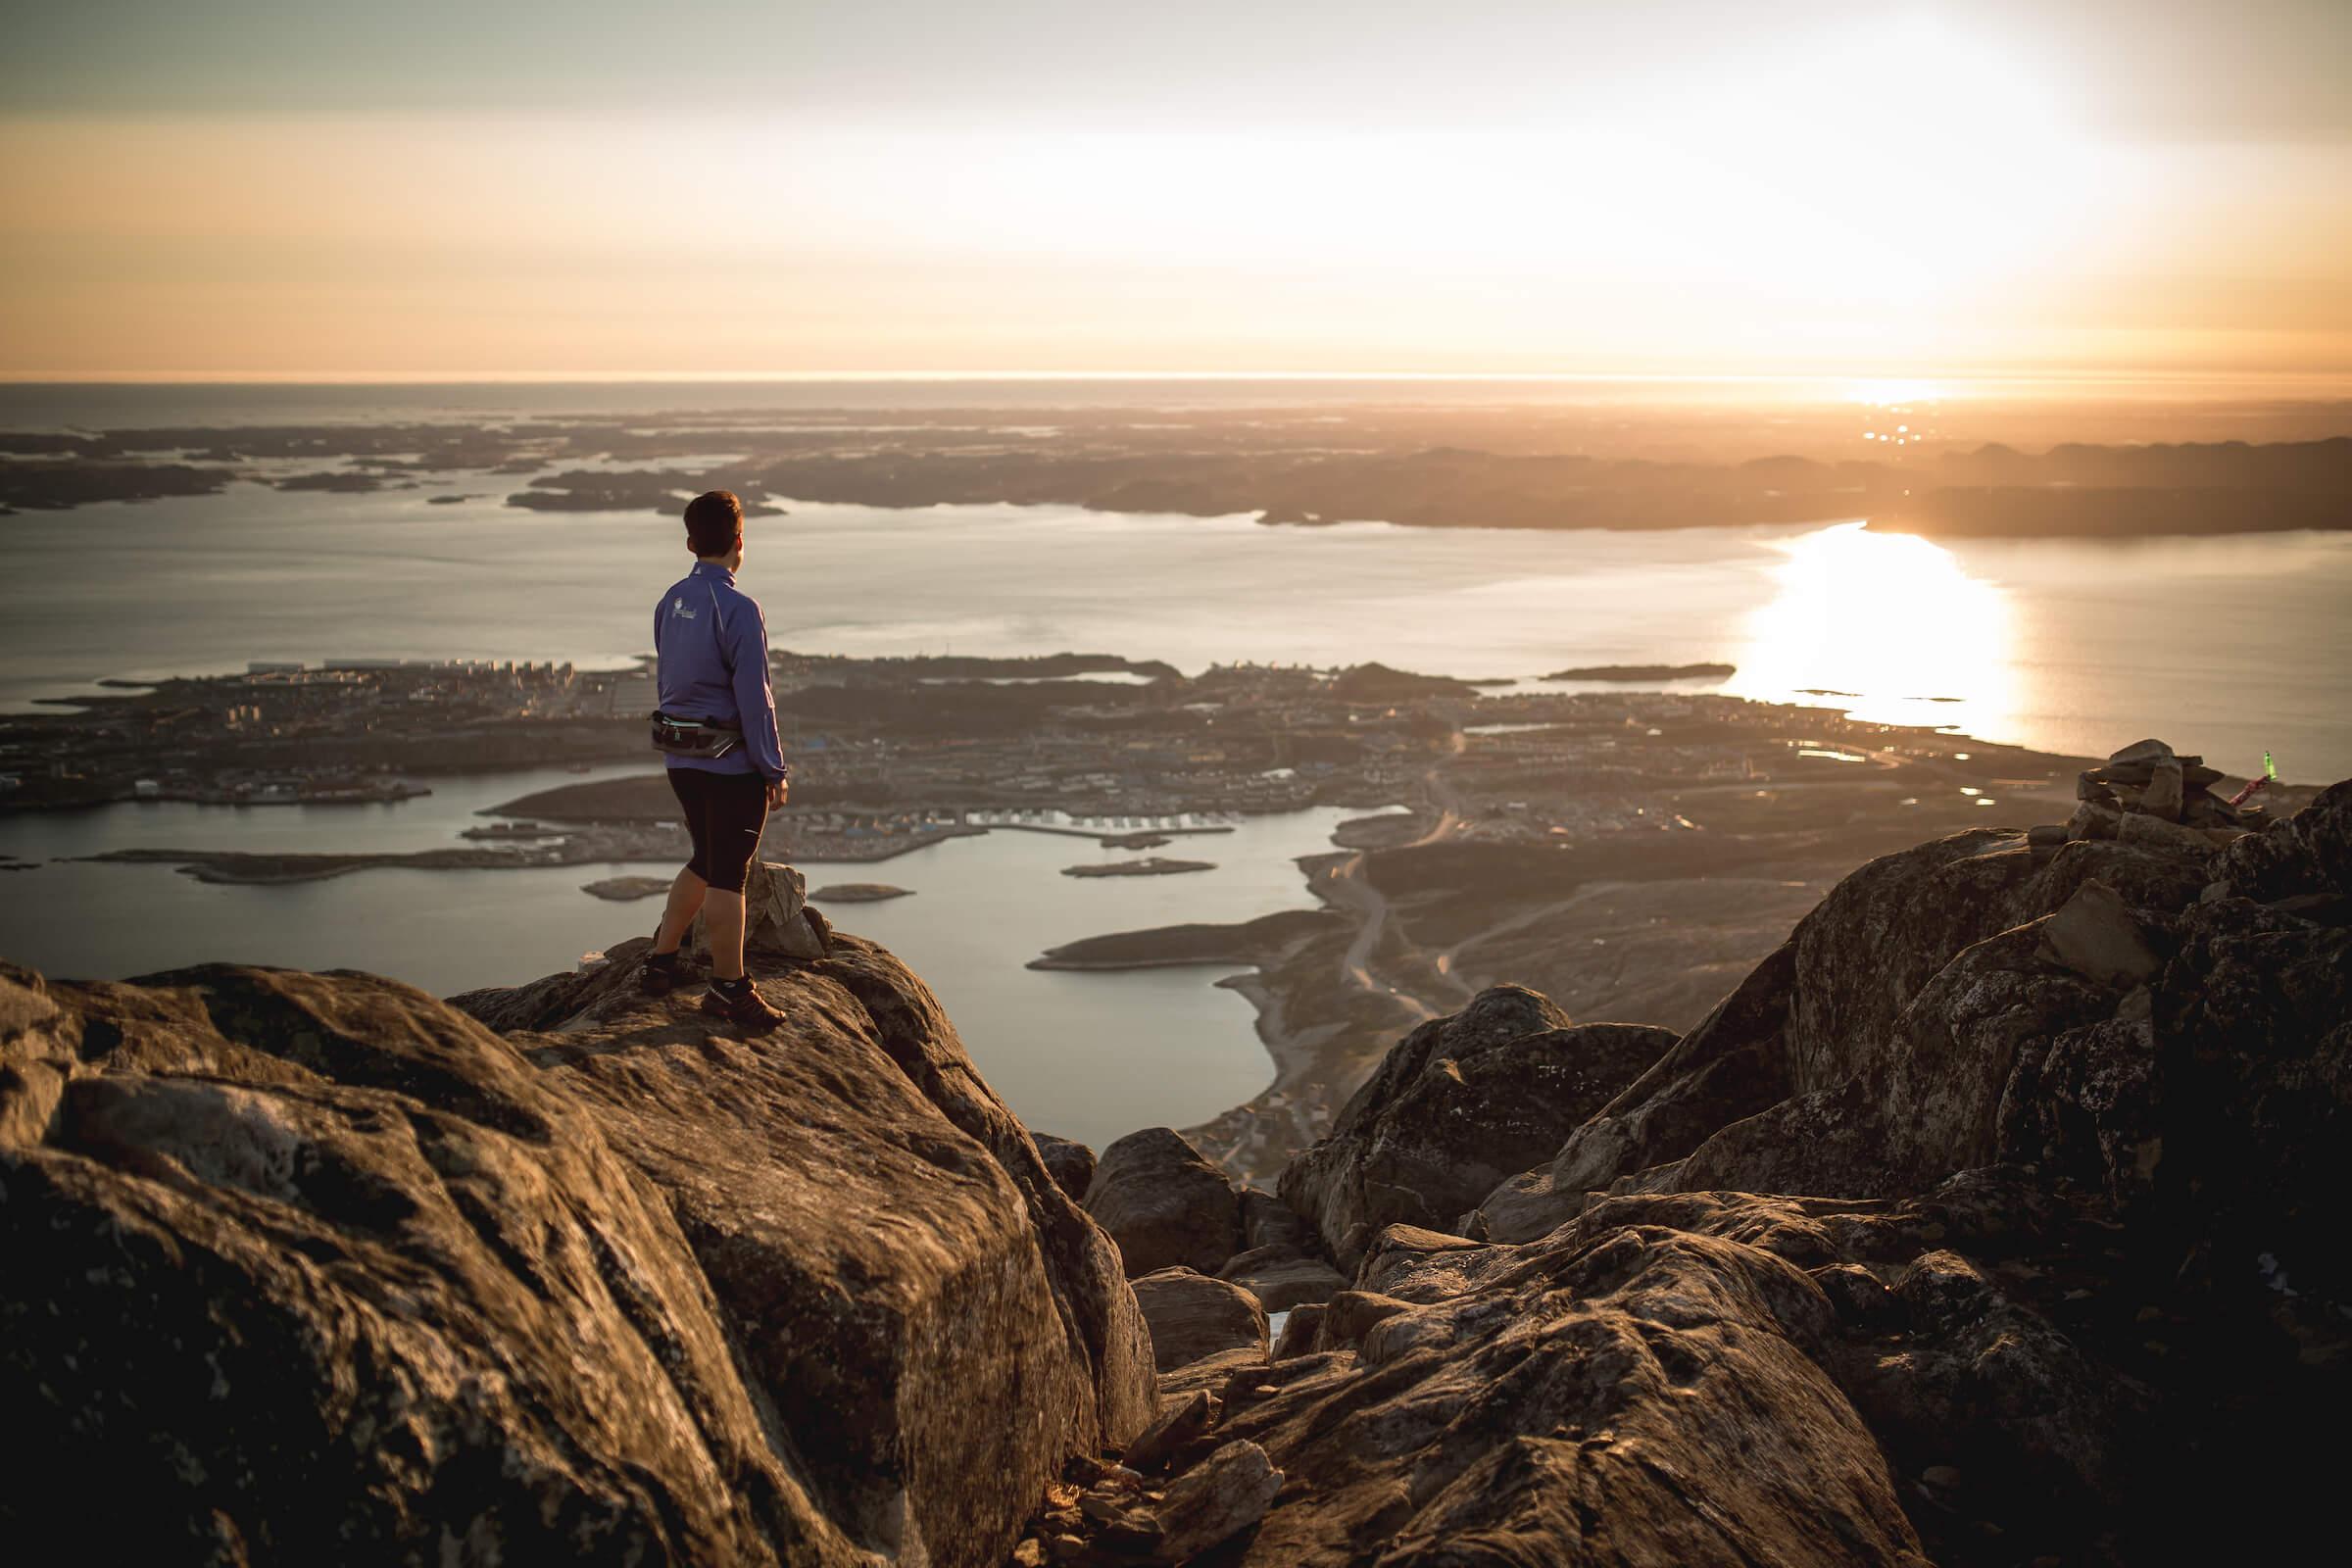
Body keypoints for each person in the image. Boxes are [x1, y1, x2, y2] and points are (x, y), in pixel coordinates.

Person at [641, 490, 791, 1030]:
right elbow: (756, 696)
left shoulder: (670, 601)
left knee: (705, 858)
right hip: (731, 762)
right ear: (739, 544)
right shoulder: (739, 609)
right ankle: (729, 988)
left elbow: (669, 677)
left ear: (690, 542)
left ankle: (661, 961)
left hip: (681, 757)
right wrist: (773, 766)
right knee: (729, 874)